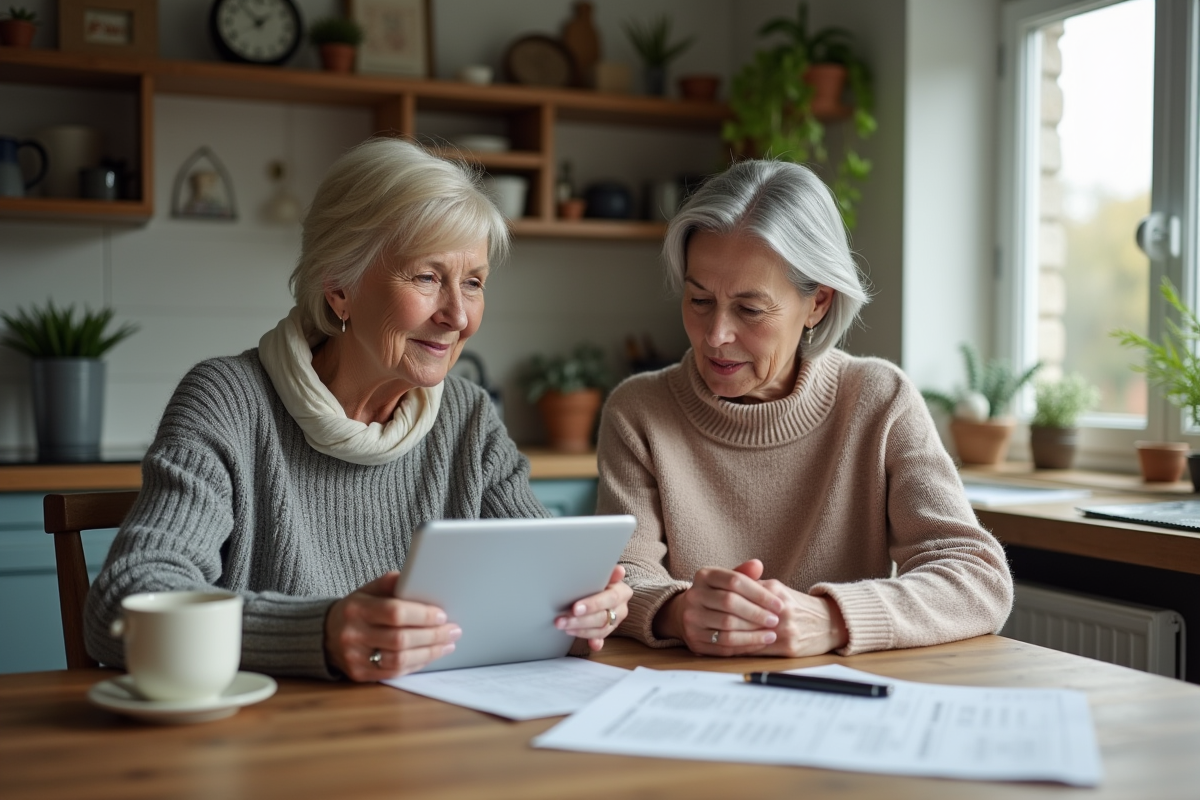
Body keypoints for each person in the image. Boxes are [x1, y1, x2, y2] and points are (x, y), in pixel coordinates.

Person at [84, 138, 631, 681]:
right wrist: (318, 631)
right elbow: (128, 602)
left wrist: (584, 609)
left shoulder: (466, 416)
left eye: (473, 283)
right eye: (427, 277)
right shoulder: (228, 401)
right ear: (340, 288)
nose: (459, 316)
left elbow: (543, 586)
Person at [597, 159, 1012, 658]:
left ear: (817, 302)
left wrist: (832, 619)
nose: (716, 335)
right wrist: (679, 610)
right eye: (699, 299)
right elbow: (624, 576)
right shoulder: (638, 410)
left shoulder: (880, 401)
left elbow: (978, 576)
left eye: (750, 309)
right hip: (687, 694)